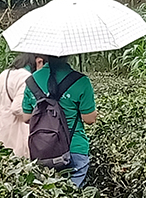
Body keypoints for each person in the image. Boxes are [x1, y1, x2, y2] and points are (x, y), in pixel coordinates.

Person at [21, 56, 97, 188]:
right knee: (74, 192)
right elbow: (89, 119)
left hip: (43, 149)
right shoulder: (81, 81)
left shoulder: (32, 81)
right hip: (74, 147)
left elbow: (26, 117)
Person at [0, 53, 45, 158]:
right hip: (12, 140)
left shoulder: (5, 73)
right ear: (39, 61)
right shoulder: (26, 78)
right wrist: (35, 116)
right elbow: (17, 108)